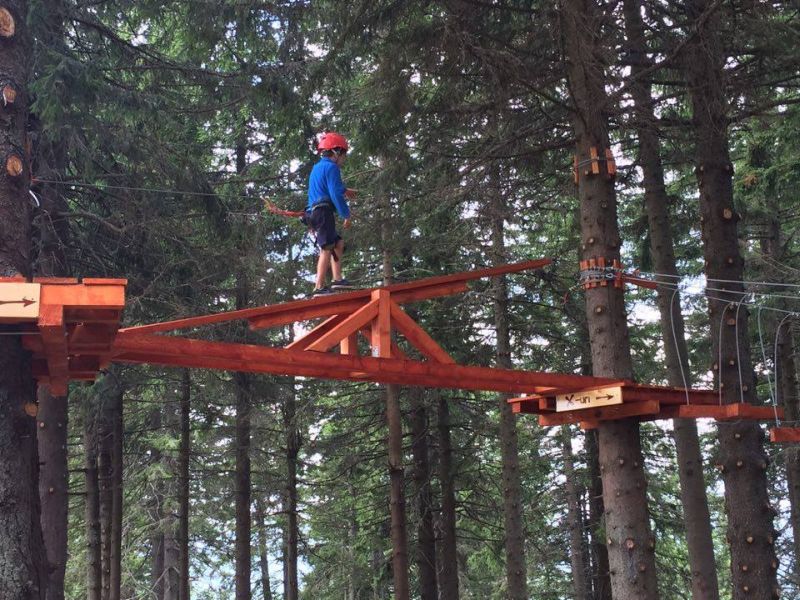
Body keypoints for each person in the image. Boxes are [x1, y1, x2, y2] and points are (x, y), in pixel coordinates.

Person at [306, 131, 356, 296]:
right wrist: (346, 214)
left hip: (316, 212)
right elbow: (334, 193)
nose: (344, 159)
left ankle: (337, 279)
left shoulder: (317, 168)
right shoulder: (332, 167)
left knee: (338, 243)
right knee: (327, 248)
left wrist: (345, 190)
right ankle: (319, 287)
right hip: (323, 211)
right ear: (336, 152)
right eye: (344, 155)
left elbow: (322, 189)